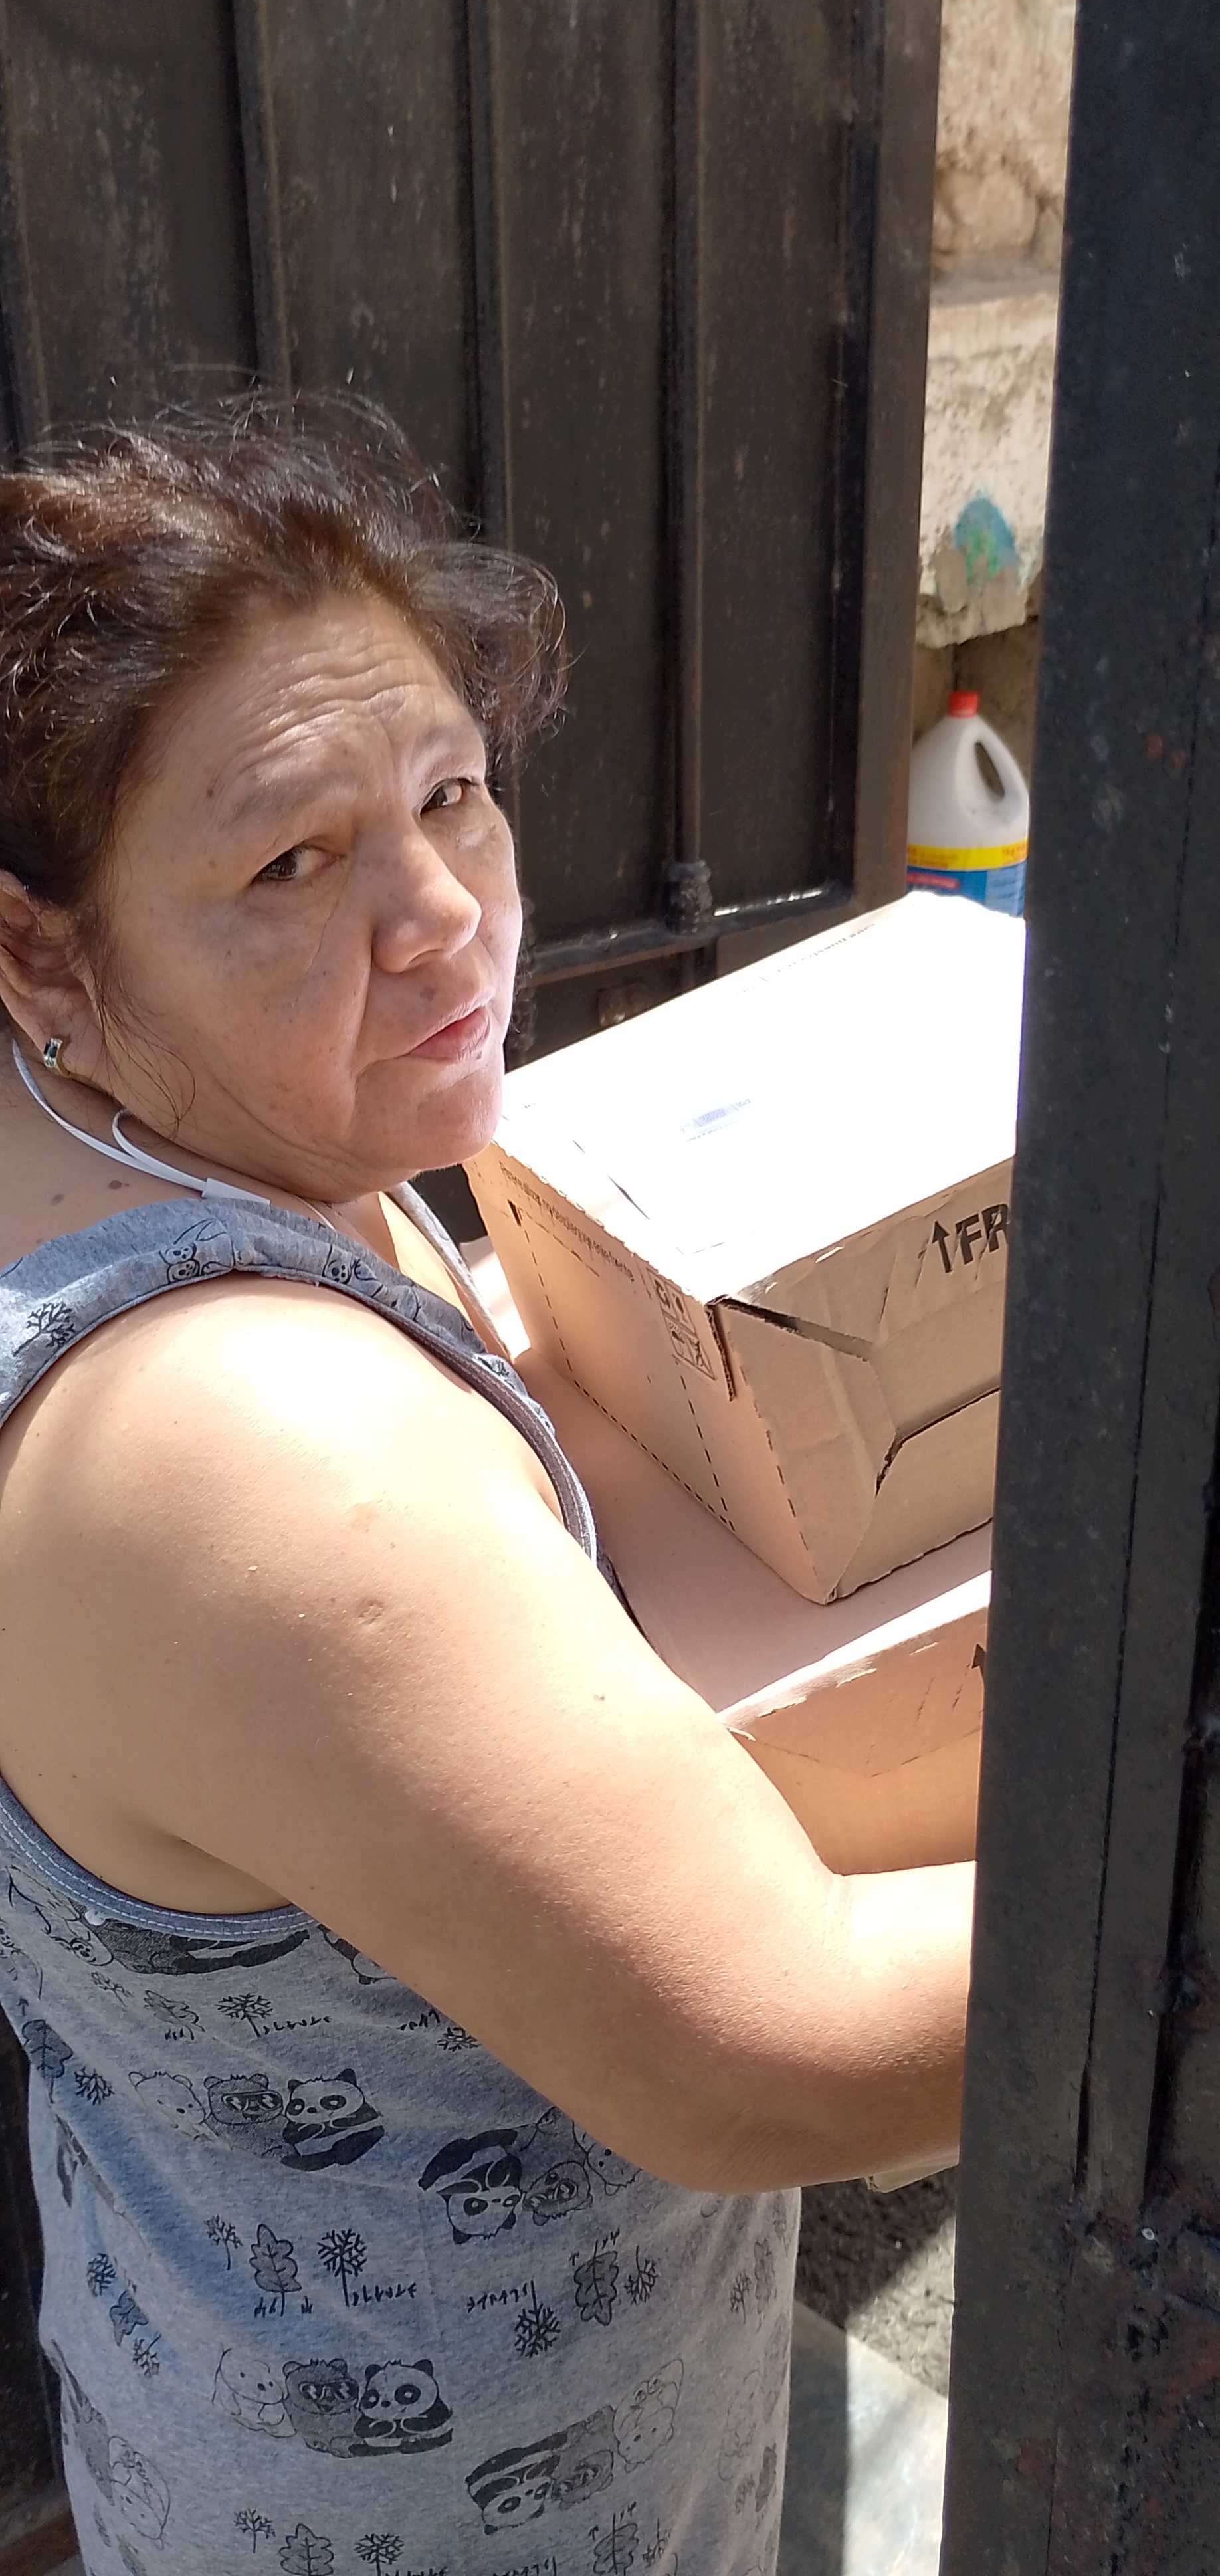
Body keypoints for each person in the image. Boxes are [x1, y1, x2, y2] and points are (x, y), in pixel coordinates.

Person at [0, 400, 973, 2575]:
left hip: (218, 2362)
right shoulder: (246, 1444)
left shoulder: (179, 1143)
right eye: (292, 864)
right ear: (45, 953)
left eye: (452, 795)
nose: (443, 918)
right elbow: (775, 2053)